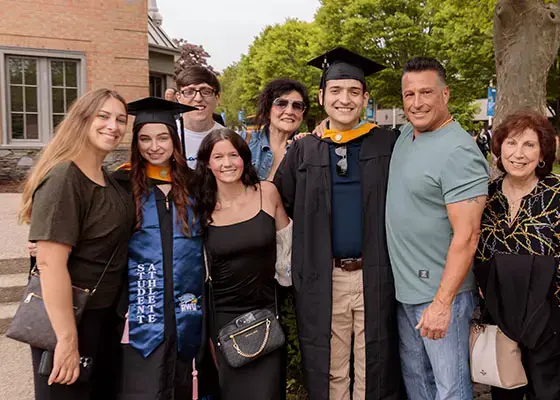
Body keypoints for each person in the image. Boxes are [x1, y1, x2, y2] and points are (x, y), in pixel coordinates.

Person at [274, 47, 402, 400]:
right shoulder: (303, 150)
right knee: (329, 367)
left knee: (373, 365)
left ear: (365, 98)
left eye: (353, 92)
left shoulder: (389, 143)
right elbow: (277, 202)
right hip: (322, 277)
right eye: (336, 91)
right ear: (321, 97)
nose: (344, 99)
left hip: (375, 275)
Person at [385, 57, 490, 400]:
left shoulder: (459, 151)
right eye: (409, 94)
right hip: (407, 293)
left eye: (426, 92)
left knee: (451, 389)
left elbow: (468, 235)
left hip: (442, 295)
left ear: (445, 94)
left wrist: (442, 303)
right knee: (418, 384)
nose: (417, 102)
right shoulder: (405, 136)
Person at [18, 89, 134, 399]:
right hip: (69, 318)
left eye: (121, 119)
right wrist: (67, 341)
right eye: (104, 116)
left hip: (103, 317)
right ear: (83, 119)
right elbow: (49, 264)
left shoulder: (108, 180)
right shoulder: (64, 177)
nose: (114, 126)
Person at [110, 97, 212, 399]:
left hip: (189, 305)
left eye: (162, 138)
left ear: (175, 140)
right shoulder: (121, 183)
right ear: (135, 141)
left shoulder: (195, 184)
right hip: (139, 307)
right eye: (145, 138)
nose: (154, 146)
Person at [474, 109, 560, 400]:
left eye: (529, 145)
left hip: (549, 321)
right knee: (503, 393)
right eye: (511, 143)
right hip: (501, 319)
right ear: (499, 148)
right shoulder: (487, 196)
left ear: (542, 152)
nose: (518, 154)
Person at [193, 128, 291, 398]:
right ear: (207, 163)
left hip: (266, 310)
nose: (227, 163)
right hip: (223, 316)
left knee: (268, 391)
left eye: (233, 155)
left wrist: (288, 289)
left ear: (244, 158)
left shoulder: (267, 193)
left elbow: (286, 247)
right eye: (218, 156)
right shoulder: (200, 207)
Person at [240, 79, 310, 180]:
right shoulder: (243, 142)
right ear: (268, 110)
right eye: (281, 104)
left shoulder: (308, 149)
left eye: (297, 106)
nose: (289, 111)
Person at [175, 66, 226, 168]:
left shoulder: (228, 139)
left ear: (217, 97)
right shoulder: (168, 136)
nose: (198, 98)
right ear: (178, 97)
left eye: (206, 91)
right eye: (189, 92)